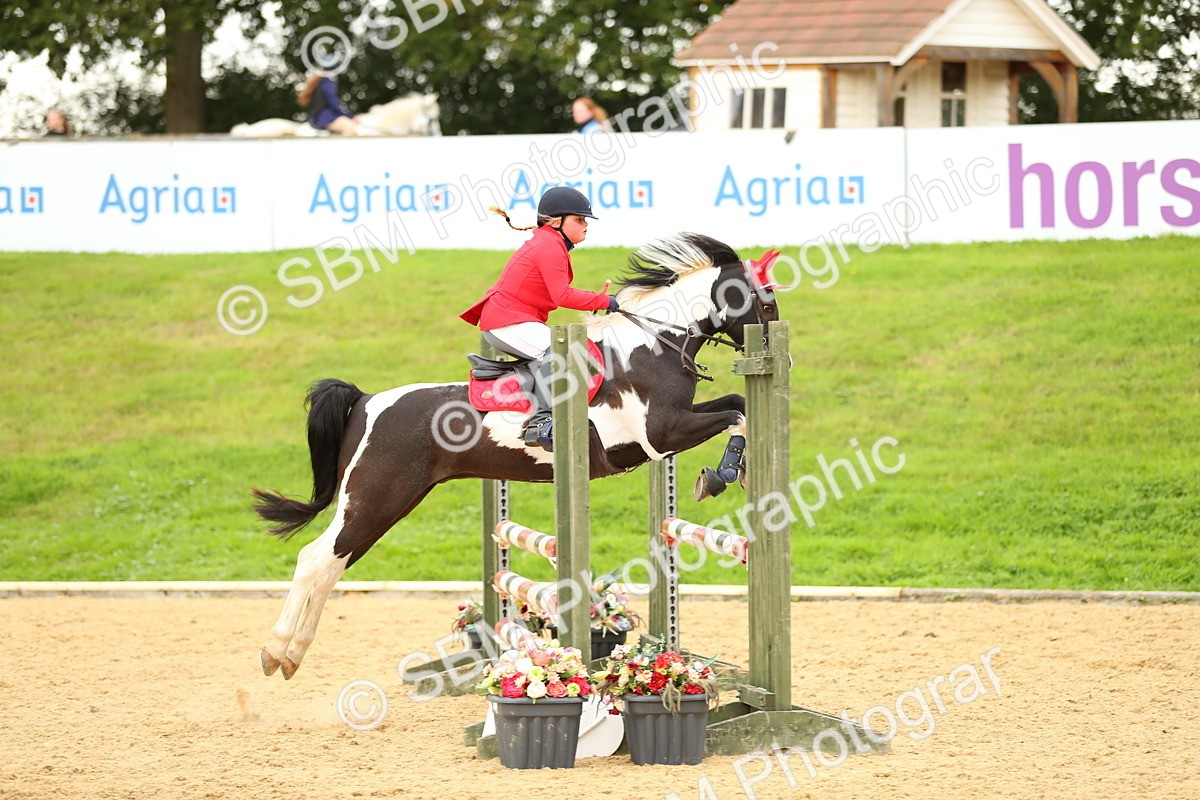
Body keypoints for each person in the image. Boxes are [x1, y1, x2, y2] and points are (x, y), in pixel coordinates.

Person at [460, 187, 618, 451]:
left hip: (512, 320)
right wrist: (605, 301)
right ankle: (541, 423)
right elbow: (562, 296)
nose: (585, 225)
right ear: (557, 222)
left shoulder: (549, 242)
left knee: (562, 350)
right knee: (562, 352)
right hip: (507, 322)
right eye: (579, 219)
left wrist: (596, 300)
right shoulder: (549, 246)